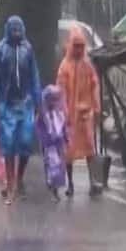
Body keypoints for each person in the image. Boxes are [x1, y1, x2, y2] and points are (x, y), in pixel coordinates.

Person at [0, 16, 41, 205]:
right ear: (8, 29)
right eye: (14, 29)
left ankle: (19, 178)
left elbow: (34, 75)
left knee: (26, 144)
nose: (17, 32)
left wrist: (38, 99)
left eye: (19, 29)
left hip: (25, 103)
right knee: (9, 146)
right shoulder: (0, 50)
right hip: (7, 104)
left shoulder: (28, 49)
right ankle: (10, 186)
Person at [57, 27, 101, 197]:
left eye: (81, 46)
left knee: (90, 148)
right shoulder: (64, 66)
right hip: (69, 115)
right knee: (69, 151)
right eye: (76, 45)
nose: (78, 49)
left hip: (85, 114)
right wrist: (64, 111)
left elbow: (94, 85)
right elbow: (60, 91)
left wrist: (96, 107)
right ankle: (70, 184)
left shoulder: (87, 65)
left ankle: (93, 182)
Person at [36, 85, 68, 201]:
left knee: (59, 167)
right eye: (51, 100)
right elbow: (39, 128)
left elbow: (63, 127)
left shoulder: (59, 114)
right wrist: (44, 138)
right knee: (51, 166)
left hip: (58, 144)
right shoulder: (43, 115)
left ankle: (56, 189)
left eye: (55, 100)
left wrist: (66, 138)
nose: (53, 102)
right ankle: (53, 190)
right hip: (48, 145)